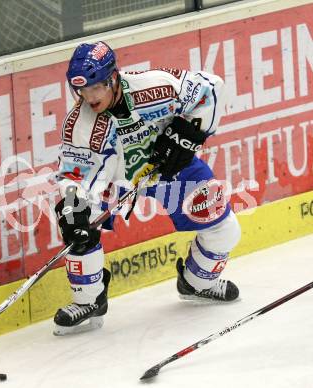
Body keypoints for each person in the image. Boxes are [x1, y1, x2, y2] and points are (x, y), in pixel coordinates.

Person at [53, 41, 241, 336]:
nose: (89, 97)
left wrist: (189, 132)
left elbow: (211, 89)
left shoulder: (156, 87)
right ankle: (89, 300)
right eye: (83, 91)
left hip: (169, 169)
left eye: (96, 88)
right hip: (115, 181)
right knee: (80, 221)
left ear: (113, 78)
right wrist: (72, 209)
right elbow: (76, 175)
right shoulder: (81, 125)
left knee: (226, 229)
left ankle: (197, 282)